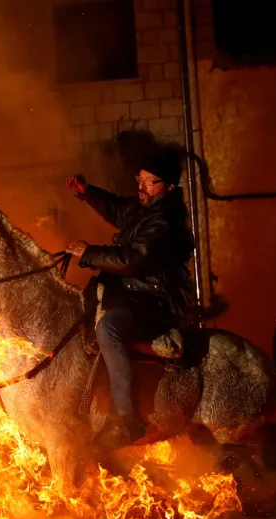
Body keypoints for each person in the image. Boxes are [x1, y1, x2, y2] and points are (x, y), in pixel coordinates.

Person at [64, 152, 194, 450]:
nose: (142, 187)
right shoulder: (147, 209)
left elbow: (132, 259)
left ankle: (127, 419)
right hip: (133, 293)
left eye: (150, 181)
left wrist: (89, 253)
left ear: (169, 187)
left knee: (109, 327)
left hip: (156, 300)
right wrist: (88, 193)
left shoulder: (165, 221)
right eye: (140, 180)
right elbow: (118, 209)